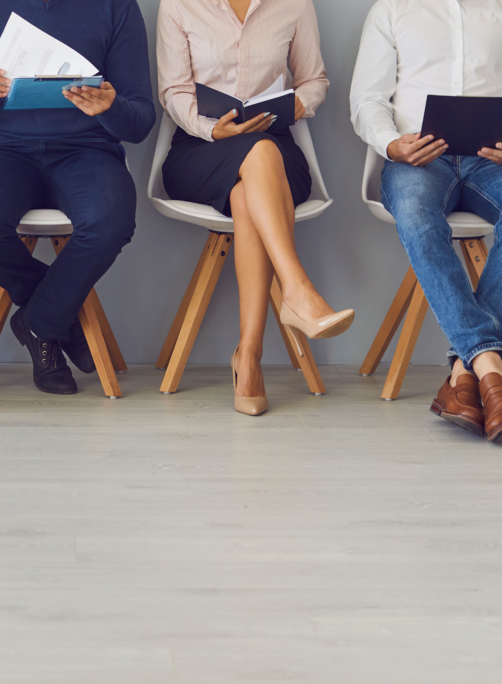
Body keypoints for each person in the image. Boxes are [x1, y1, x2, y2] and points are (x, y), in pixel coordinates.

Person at [0, 0, 156, 396]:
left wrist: (110, 107)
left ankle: (39, 323)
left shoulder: (116, 6)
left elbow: (141, 119)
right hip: (1, 149)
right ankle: (59, 319)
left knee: (110, 220)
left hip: (87, 150)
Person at [157, 0, 353, 417]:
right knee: (253, 166)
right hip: (201, 147)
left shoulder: (294, 4)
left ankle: (248, 356)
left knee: (249, 189)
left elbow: (314, 79)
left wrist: (299, 104)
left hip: (277, 150)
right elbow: (173, 90)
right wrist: (212, 127)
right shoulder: (178, 4)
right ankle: (297, 291)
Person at [351, 0, 502, 442]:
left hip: (489, 161)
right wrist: (392, 144)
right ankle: (491, 365)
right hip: (416, 161)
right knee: (418, 218)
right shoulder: (392, 10)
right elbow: (367, 98)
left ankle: (467, 368)